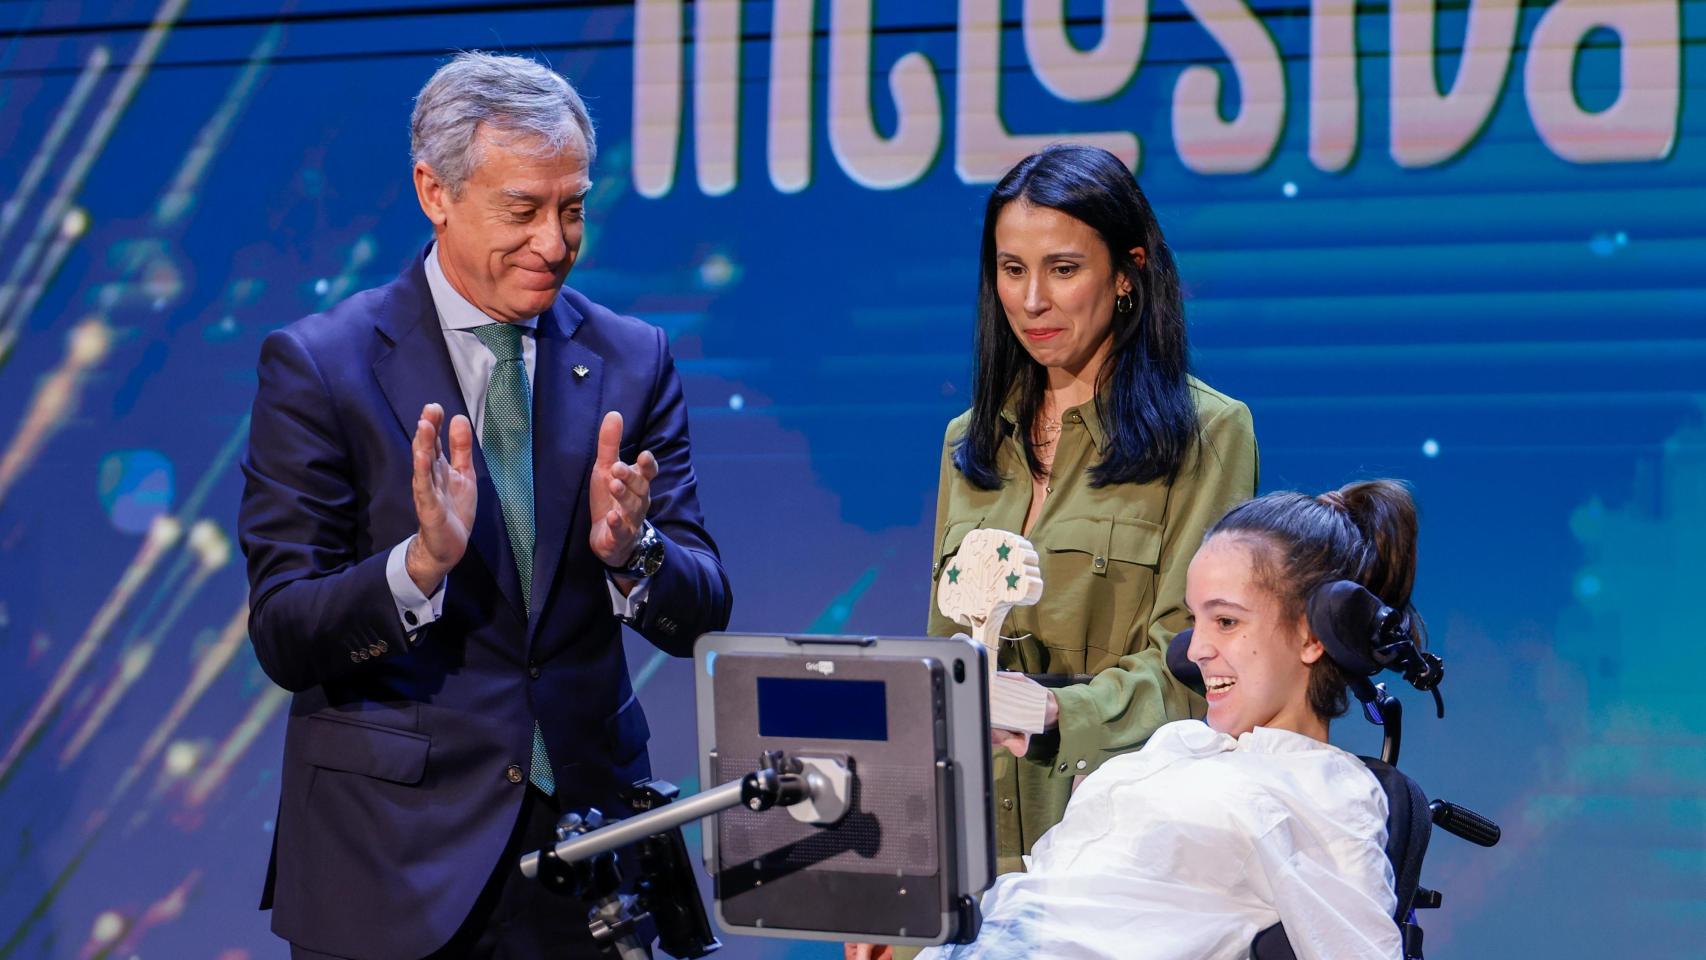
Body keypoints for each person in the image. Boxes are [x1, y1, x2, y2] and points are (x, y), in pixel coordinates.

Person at [238, 52, 732, 959]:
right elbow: (284, 632)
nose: (555, 241)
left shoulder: (632, 359)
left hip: (591, 858)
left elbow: (702, 609)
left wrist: (634, 552)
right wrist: (416, 567)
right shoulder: (321, 367)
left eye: (572, 207)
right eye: (523, 211)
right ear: (435, 192)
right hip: (392, 863)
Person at [913, 480, 1418, 959]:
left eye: (1226, 621)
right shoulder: (1175, 747)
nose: (1195, 650)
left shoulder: (1324, 794)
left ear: (1311, 637)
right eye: (1194, 621)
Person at [929, 145, 1259, 873]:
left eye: (1064, 269)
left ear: (1127, 274)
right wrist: (904, 878)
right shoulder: (969, 441)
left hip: (1117, 855)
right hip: (976, 862)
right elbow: (940, 680)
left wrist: (1051, 711)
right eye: (1012, 270)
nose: (1033, 300)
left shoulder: (1208, 435)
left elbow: (1199, 669)